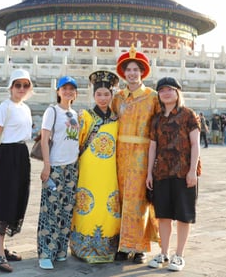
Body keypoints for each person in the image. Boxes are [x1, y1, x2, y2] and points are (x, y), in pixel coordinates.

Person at [0, 69, 34, 273]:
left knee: (15, 199)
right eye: (17, 85)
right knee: (2, 202)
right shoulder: (5, 106)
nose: (21, 89)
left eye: (25, 85)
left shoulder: (25, 108)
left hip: (21, 153)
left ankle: (0, 249)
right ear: (11, 87)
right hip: (7, 155)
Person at [110, 45, 160, 264]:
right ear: (123, 73)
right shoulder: (118, 98)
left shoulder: (153, 97)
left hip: (142, 155)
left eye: (135, 69)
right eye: (128, 69)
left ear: (142, 72)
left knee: (139, 201)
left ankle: (139, 247)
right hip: (120, 155)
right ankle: (122, 245)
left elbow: (160, 126)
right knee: (120, 199)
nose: (131, 73)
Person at [146, 77, 201, 272]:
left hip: (184, 172)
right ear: (159, 95)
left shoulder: (188, 115)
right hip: (161, 172)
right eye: (162, 90)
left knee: (184, 216)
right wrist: (149, 173)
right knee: (164, 216)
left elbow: (195, 144)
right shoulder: (157, 119)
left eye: (170, 89)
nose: (166, 93)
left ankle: (179, 255)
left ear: (177, 93)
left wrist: (193, 170)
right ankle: (163, 252)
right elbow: (152, 147)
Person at [70, 70, 121, 264]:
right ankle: (82, 247)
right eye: (99, 94)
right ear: (93, 96)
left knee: (108, 208)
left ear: (111, 96)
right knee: (87, 207)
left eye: (106, 94)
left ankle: (108, 248)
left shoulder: (117, 119)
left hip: (109, 173)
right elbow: (75, 144)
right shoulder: (85, 116)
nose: (102, 98)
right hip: (89, 172)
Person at [37, 75, 80, 270]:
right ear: (58, 91)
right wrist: (47, 165)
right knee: (50, 211)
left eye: (72, 89)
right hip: (54, 166)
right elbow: (44, 139)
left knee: (66, 210)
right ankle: (46, 252)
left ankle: (61, 249)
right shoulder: (52, 111)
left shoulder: (75, 114)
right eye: (65, 88)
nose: (68, 92)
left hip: (72, 167)